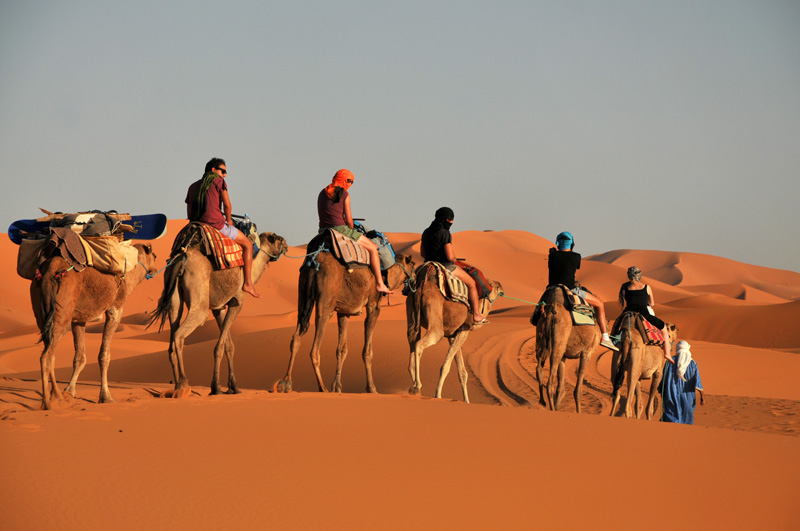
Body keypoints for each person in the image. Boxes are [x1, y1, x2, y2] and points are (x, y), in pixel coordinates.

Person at [186, 157, 260, 298]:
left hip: (195, 225)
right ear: (213, 170)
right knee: (248, 245)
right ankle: (248, 283)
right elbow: (227, 205)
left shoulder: (193, 186)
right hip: (216, 225)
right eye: (223, 171)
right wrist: (229, 220)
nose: (225, 175)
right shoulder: (219, 181)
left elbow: (189, 211)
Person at [317, 169, 393, 295]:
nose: (350, 185)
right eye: (349, 181)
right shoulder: (344, 195)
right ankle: (380, 284)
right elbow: (349, 221)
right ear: (343, 180)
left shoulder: (322, 192)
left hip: (322, 231)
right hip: (340, 230)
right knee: (373, 248)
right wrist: (350, 226)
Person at [547, 231, 618, 350]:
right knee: (599, 304)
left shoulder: (552, 256)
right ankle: (605, 337)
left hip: (552, 288)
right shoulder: (576, 256)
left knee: (542, 305)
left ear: (558, 243)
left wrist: (554, 253)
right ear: (572, 243)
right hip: (570, 289)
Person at [420, 207, 486, 326]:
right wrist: (454, 258)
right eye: (450, 219)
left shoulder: (426, 232)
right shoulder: (445, 233)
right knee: (472, 283)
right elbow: (450, 257)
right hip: (445, 266)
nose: (451, 222)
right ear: (445, 219)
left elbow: (422, 254)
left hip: (427, 265)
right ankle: (476, 314)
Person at [618, 266, 672, 362]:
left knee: (617, 325)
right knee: (663, 327)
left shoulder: (625, 288)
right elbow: (652, 303)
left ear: (629, 276)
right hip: (643, 313)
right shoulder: (646, 287)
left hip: (628, 311)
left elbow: (625, 301)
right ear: (639, 275)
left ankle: (610, 339)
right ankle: (667, 353)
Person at [659, 340, 704, 424]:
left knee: (671, 415)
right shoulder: (693, 363)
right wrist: (702, 396)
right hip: (688, 397)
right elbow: (698, 381)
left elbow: (663, 378)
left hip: (671, 394)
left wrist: (661, 389)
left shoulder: (669, 361)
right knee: (686, 417)